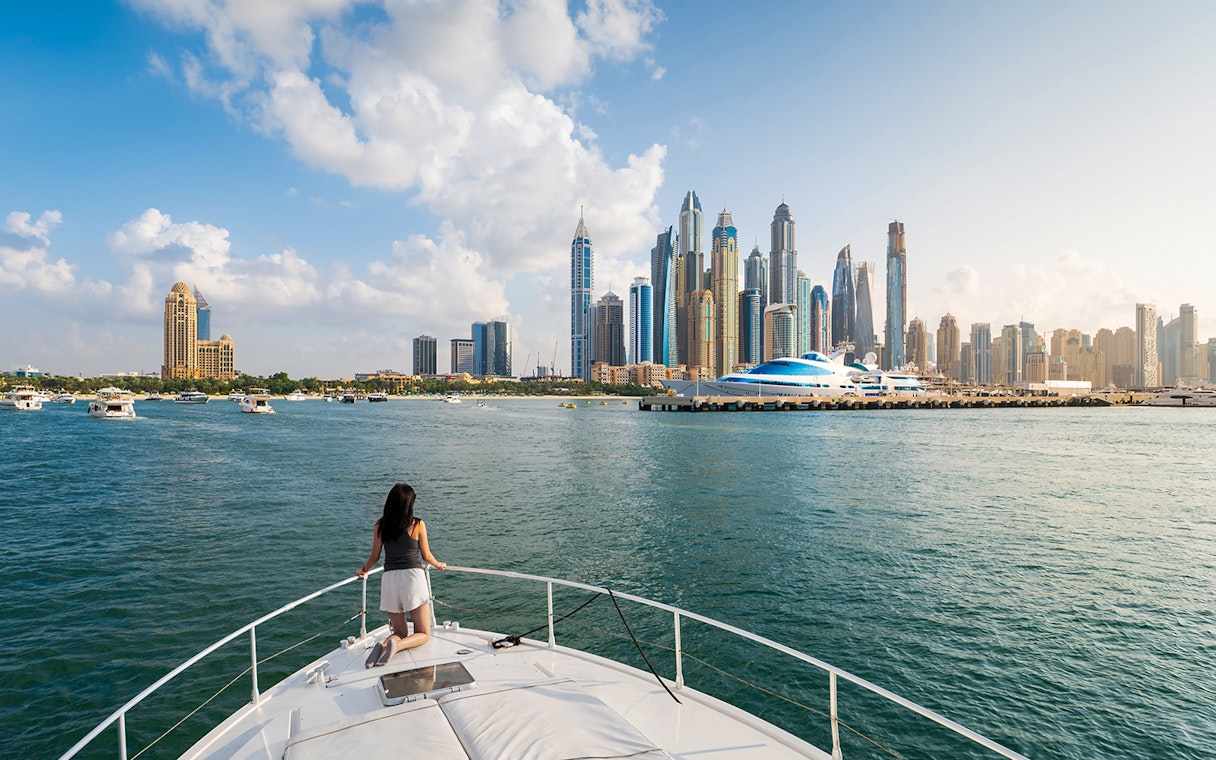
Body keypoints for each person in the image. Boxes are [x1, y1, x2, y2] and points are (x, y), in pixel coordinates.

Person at [357, 483, 446, 667]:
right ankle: (396, 646)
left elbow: (374, 556)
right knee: (423, 633)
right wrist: (438, 564)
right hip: (412, 578)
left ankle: (382, 646)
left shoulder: (380, 526)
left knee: (399, 630)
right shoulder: (417, 524)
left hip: (390, 580)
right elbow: (426, 556)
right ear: (409, 504)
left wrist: (364, 570)